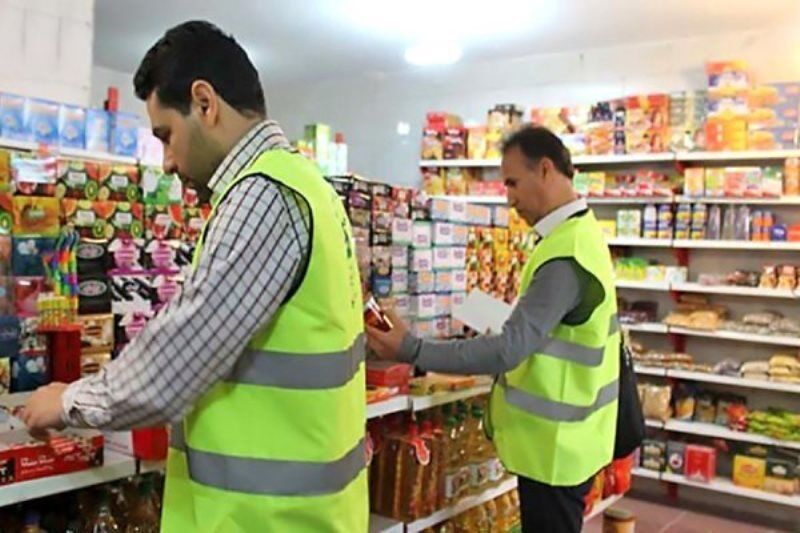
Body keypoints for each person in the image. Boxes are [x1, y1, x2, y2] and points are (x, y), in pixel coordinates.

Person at [21, 20, 368, 532]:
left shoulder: (263, 195)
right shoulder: (306, 185)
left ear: (204, 103)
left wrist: (69, 401)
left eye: (166, 135)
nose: (165, 162)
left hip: (262, 519)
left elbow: (178, 358)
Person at [367, 125, 620, 533]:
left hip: (554, 449)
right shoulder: (578, 234)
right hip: (569, 441)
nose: (510, 197)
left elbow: (509, 349)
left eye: (513, 182)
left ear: (545, 169)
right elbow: (552, 332)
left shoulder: (565, 255)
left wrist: (411, 348)